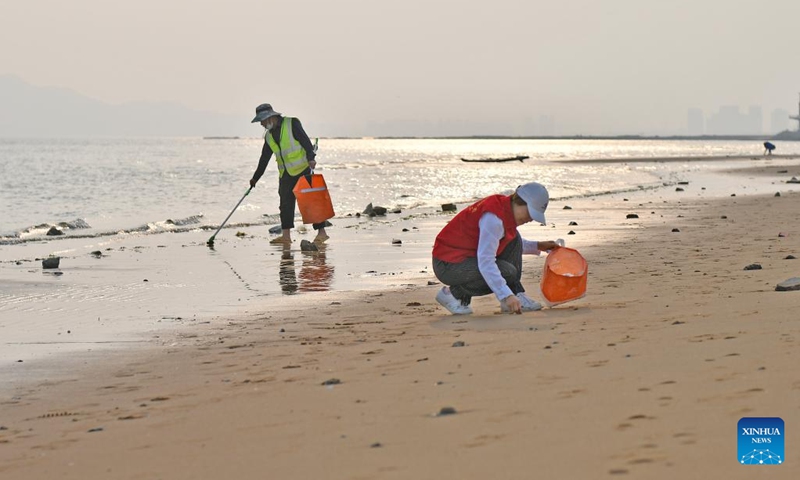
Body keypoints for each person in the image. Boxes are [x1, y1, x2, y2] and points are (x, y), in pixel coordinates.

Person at [432, 182, 559, 315]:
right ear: (522, 202)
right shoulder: (493, 219)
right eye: (531, 213)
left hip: (465, 257)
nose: (531, 219)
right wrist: (505, 295)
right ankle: (453, 295)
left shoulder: (505, 209)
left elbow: (502, 242)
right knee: (507, 271)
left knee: (514, 238)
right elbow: (486, 260)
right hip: (447, 264)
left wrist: (538, 246)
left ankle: (516, 294)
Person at [249, 103, 329, 244]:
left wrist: (311, 158)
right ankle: (286, 237)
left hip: (303, 168)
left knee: (311, 201)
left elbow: (305, 141)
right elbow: (264, 158)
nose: (261, 124)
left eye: (262, 120)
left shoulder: (291, 123)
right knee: (285, 204)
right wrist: (255, 178)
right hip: (285, 174)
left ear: (270, 118)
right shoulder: (268, 136)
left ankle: (322, 233)